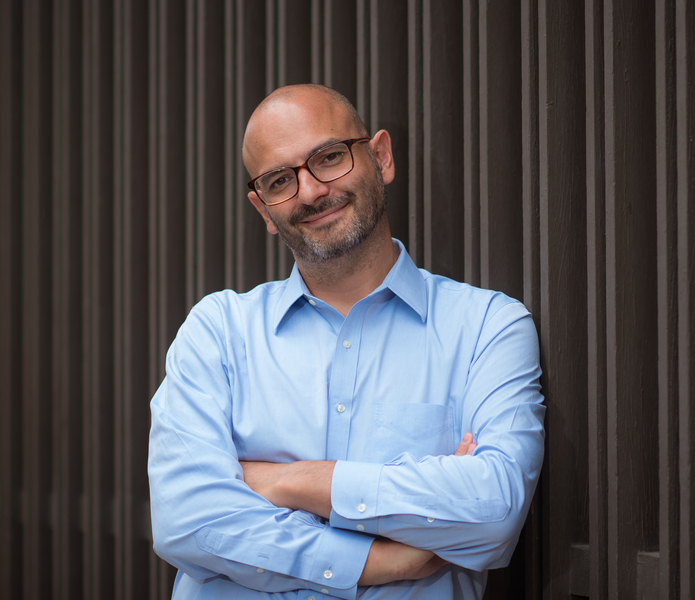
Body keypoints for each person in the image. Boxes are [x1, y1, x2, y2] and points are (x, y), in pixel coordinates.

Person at [148, 84, 545, 600]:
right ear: (263, 209)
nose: (311, 191)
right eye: (279, 180)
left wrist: (286, 482)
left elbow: (493, 510)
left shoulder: (488, 328)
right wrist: (379, 561)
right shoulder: (217, 331)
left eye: (329, 157)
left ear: (380, 157)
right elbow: (186, 522)